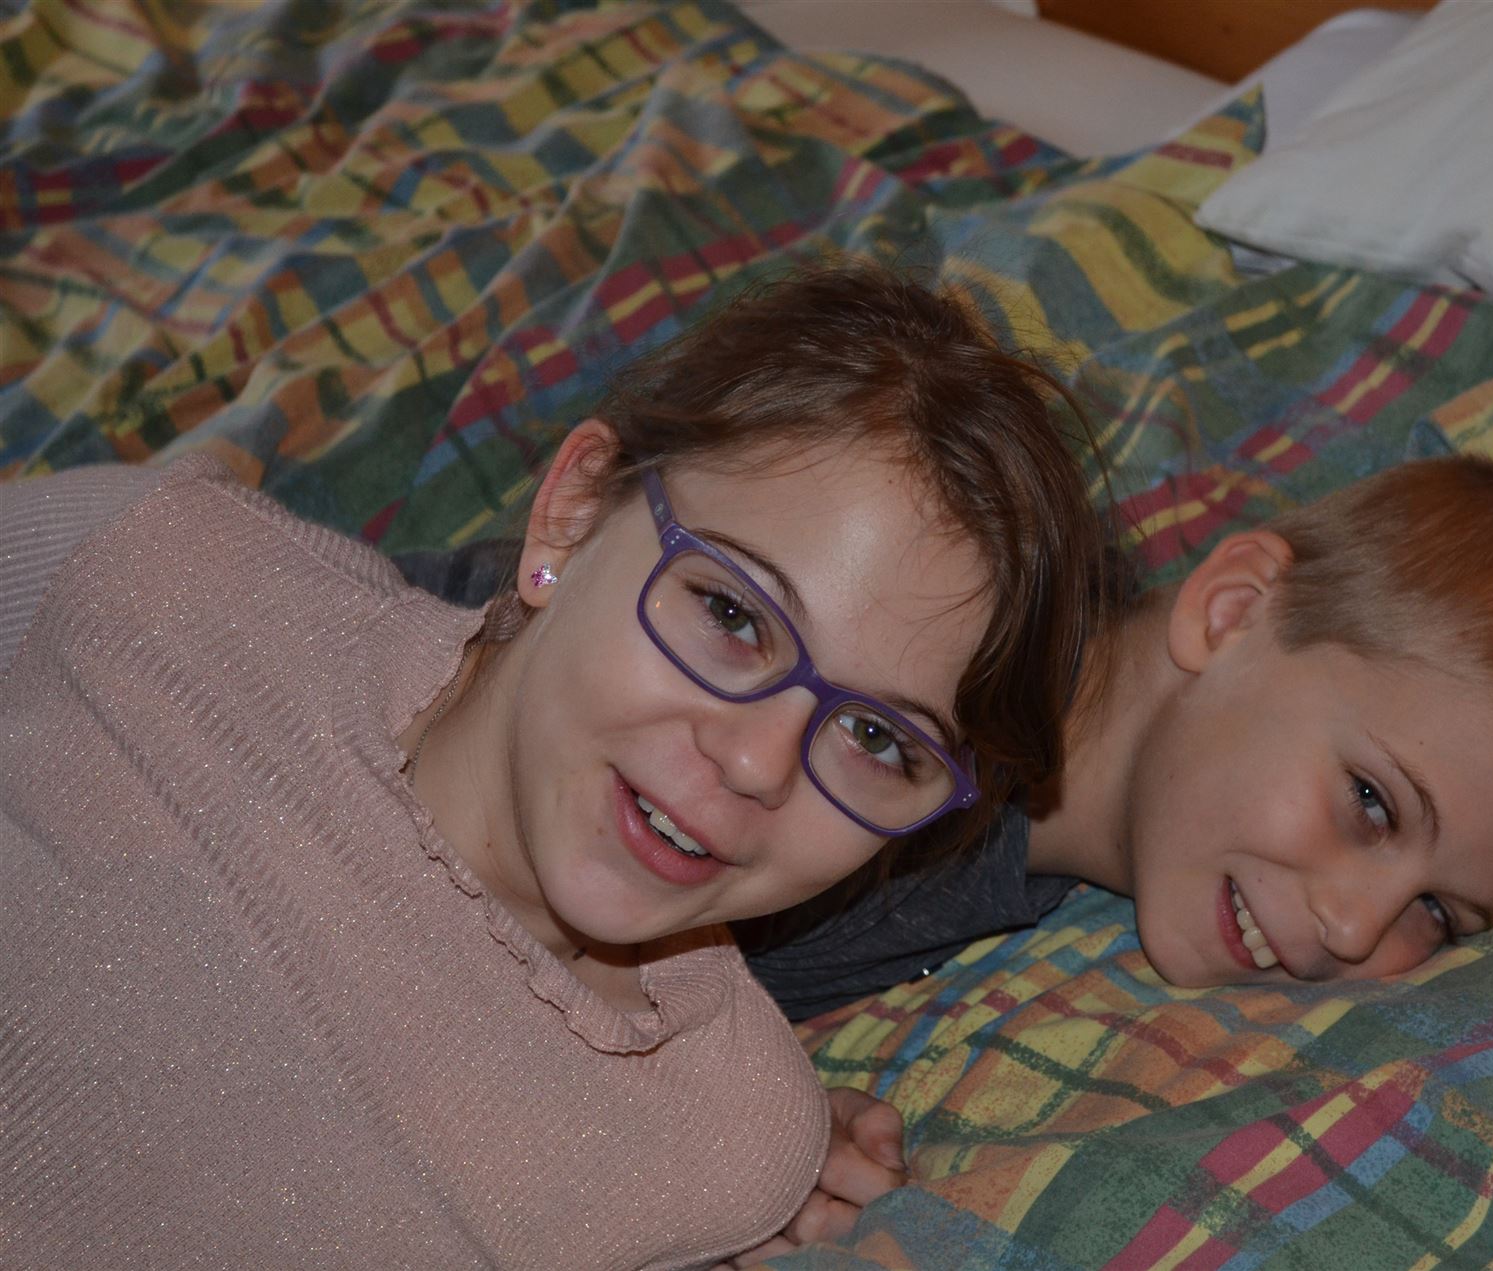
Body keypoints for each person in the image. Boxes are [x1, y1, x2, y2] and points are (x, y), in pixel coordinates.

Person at [0, 264, 1110, 1267]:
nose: (756, 760)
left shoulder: (722, 1146)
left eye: (878, 740)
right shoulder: (163, 580)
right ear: (572, 515)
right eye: (732, 613)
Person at [734, 456, 1493, 1018]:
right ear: (1231, 610)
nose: (1354, 924)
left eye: (1438, 912)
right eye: (1373, 804)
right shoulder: (913, 708)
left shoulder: (1164, 715)